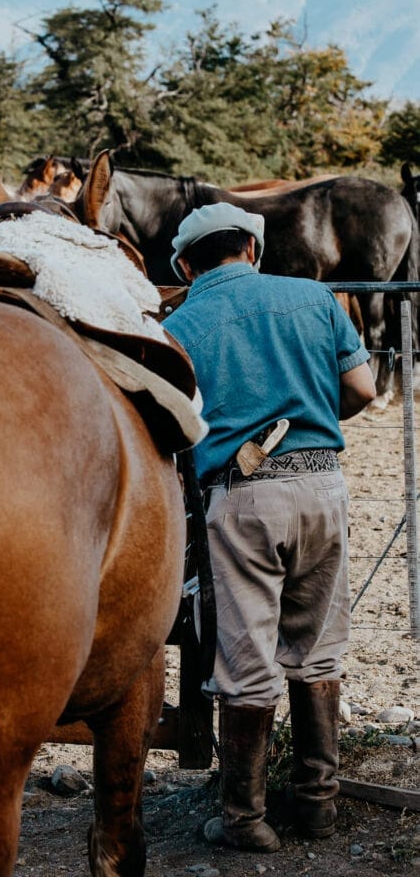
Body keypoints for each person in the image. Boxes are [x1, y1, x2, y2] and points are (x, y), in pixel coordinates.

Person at [163, 203, 376, 853]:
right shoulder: (313, 298)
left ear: (183, 265)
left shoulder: (177, 325)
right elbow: (362, 390)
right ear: (251, 250)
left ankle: (243, 820)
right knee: (317, 649)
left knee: (244, 658)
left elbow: (170, 430)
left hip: (242, 495)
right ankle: (317, 806)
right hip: (322, 486)